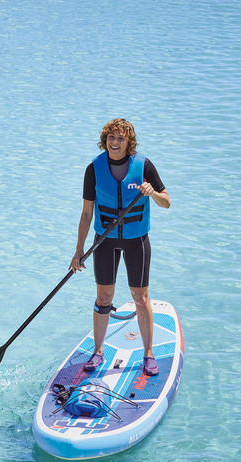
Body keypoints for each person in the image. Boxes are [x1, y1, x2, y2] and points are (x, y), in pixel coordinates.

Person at [70, 118, 171, 376]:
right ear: (105, 140)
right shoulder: (93, 169)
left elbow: (166, 202)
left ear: (129, 143)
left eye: (121, 139)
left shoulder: (143, 165)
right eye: (111, 138)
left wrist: (152, 192)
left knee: (141, 298)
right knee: (104, 297)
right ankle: (98, 352)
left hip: (136, 239)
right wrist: (79, 249)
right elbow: (86, 213)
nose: (115, 143)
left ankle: (148, 353)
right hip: (105, 240)